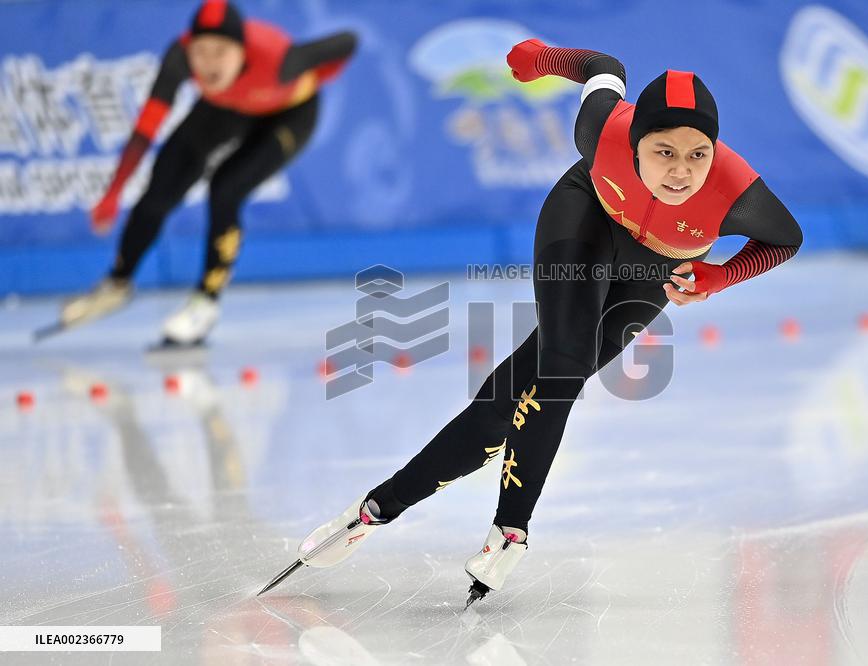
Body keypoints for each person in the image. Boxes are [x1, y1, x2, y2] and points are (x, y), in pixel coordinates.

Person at [259, 39, 803, 605]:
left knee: (509, 404)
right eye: (664, 151)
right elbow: (604, 68)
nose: (681, 171)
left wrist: (719, 276)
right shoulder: (601, 130)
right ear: (635, 141)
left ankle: (373, 510)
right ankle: (511, 532)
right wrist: (544, 58)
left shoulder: (737, 192)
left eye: (697, 155)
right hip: (585, 219)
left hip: (652, 270)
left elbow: (785, 240)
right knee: (563, 368)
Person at [58, 0, 357, 346]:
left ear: (242, 50)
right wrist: (112, 195)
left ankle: (206, 301)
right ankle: (117, 283)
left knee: (226, 189)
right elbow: (145, 130)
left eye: (221, 52)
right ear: (189, 47)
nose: (209, 64)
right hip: (226, 105)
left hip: (289, 114)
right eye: (201, 52)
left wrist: (314, 79)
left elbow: (347, 41)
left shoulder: (282, 60)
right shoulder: (179, 58)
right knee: (161, 186)